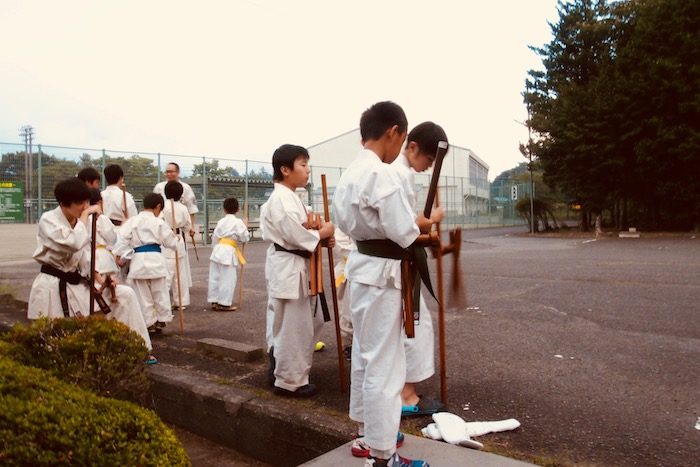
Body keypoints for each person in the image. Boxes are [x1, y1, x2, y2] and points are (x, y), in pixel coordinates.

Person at [332, 101, 438, 467]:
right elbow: (404, 231)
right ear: (394, 132)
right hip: (382, 275)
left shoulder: (349, 174)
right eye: (402, 137)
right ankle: (383, 455)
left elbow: (349, 225)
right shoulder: (382, 173)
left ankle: (367, 435)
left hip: (362, 269)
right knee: (385, 364)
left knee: (365, 355)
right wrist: (423, 228)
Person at [27, 178, 155, 363]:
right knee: (54, 340)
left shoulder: (79, 220)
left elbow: (84, 257)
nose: (84, 206)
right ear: (63, 203)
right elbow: (73, 243)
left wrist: (102, 280)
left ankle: (138, 348)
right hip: (53, 285)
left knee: (124, 295)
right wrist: (85, 216)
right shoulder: (49, 220)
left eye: (86, 202)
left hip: (78, 281)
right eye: (80, 203)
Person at [261, 144, 335, 398]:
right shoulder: (280, 199)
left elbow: (307, 230)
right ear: (285, 169)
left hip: (297, 265)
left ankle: (284, 367)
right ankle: (289, 381)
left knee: (305, 324)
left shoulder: (292, 197)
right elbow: (297, 234)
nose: (307, 171)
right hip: (288, 267)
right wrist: (323, 233)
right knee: (292, 326)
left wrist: (324, 237)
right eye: (302, 165)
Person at [392, 122, 448, 418]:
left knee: (410, 328)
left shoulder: (401, 174)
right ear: (411, 147)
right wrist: (428, 221)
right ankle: (405, 395)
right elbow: (402, 225)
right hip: (396, 266)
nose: (428, 167)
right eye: (429, 160)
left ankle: (404, 390)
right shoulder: (398, 174)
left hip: (399, 263)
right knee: (415, 327)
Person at [113, 193, 179, 334]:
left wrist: (118, 256)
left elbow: (122, 240)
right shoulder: (159, 222)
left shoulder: (132, 221)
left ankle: (149, 323)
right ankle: (162, 318)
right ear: (158, 207)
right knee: (160, 292)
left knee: (143, 295)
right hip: (156, 260)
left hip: (138, 262)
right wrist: (176, 240)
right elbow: (171, 243)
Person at [208, 197, 250, 312]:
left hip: (217, 249)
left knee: (215, 276)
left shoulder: (221, 221)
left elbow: (215, 237)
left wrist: (214, 248)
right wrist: (245, 226)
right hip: (228, 251)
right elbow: (245, 238)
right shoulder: (238, 222)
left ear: (224, 209)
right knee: (228, 278)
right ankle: (224, 303)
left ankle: (214, 300)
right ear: (237, 210)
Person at [160, 181, 193, 311]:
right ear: (180, 194)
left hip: (165, 239)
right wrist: (188, 229)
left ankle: (163, 302)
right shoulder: (183, 208)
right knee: (180, 274)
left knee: (167, 273)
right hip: (178, 239)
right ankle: (181, 301)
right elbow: (187, 225)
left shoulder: (162, 207)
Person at [154, 162, 198, 235]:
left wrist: (192, 227)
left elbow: (191, 209)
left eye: (171, 172)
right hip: (162, 229)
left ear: (178, 172)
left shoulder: (186, 188)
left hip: (179, 230)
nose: (169, 174)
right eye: (167, 172)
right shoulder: (159, 187)